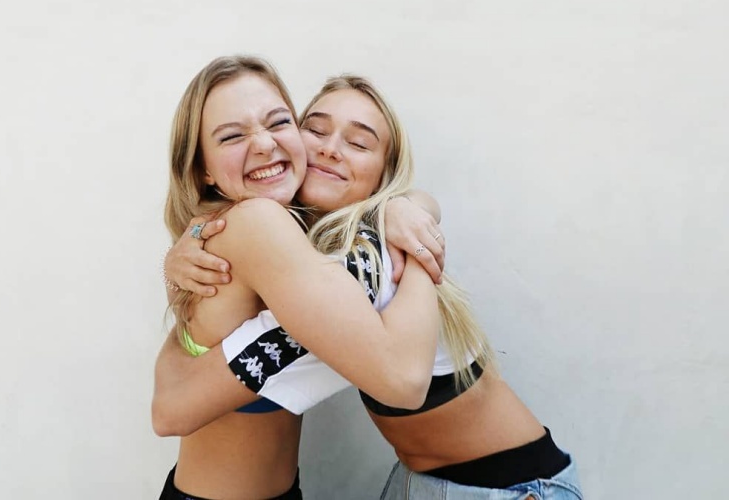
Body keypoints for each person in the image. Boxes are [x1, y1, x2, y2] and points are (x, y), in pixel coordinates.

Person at [161, 75, 585, 499]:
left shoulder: (366, 261)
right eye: (316, 130)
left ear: (384, 175)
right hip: (420, 480)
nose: (330, 149)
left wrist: (410, 227)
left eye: (359, 143)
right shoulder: (301, 250)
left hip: (514, 487)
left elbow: (171, 408)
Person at [154, 55, 445, 500]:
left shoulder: (267, 230)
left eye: (278, 122)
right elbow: (403, 383)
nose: (264, 144)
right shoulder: (257, 223)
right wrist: (421, 251)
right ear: (203, 169)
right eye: (232, 135)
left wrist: (402, 205)